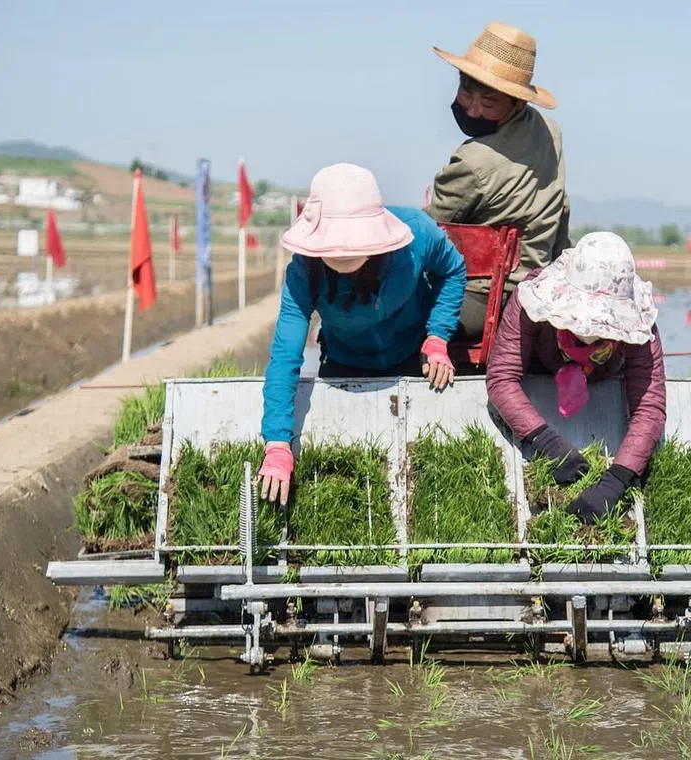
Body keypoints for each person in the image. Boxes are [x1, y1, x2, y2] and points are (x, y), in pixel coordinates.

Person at [257, 163, 467, 505]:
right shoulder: (304, 272)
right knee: (346, 472)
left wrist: (438, 336)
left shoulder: (416, 234)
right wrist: (277, 442)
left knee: (423, 471)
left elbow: (453, 270)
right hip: (345, 363)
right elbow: (285, 354)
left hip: (412, 358)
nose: (344, 256)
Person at [485, 232, 667, 524]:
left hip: (601, 384)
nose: (591, 332)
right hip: (542, 383)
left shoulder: (641, 328)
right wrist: (547, 443)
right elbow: (501, 378)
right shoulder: (530, 302)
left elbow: (650, 407)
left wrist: (616, 479)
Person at [426, 21, 571, 343]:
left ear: (518, 102)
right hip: (537, 291)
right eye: (466, 94)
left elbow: (430, 232)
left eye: (489, 104)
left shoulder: (473, 161)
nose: (473, 110)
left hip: (479, 302)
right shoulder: (550, 132)